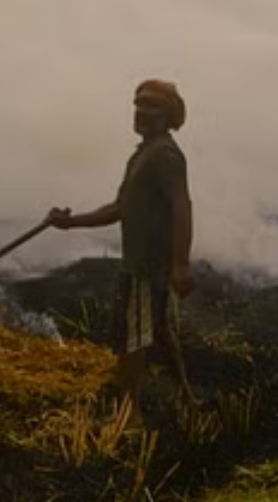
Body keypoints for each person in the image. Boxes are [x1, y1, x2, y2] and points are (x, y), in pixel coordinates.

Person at [47, 79, 195, 409]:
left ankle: (128, 410)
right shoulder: (144, 155)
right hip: (139, 262)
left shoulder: (166, 155)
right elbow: (118, 209)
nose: (141, 112)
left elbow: (182, 206)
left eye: (152, 106)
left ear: (168, 114)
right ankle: (185, 397)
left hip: (147, 265)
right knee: (157, 329)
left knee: (134, 337)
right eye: (138, 104)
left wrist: (181, 263)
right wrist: (70, 222)